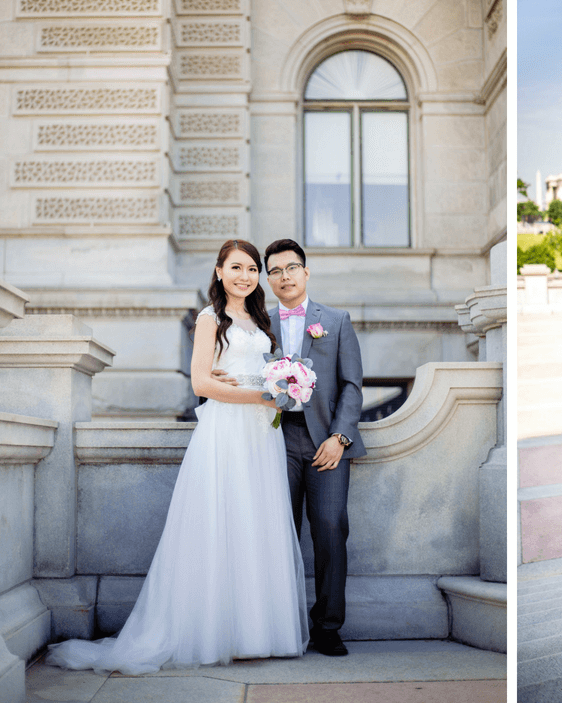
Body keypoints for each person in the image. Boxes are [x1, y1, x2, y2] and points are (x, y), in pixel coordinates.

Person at [46, 240, 308, 674]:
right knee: (221, 521)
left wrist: (285, 382)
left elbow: (258, 368)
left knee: (254, 522)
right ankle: (212, 631)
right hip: (228, 429)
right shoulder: (210, 318)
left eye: (252, 269)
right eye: (237, 267)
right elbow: (202, 384)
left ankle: (256, 631)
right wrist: (261, 394)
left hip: (261, 434)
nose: (246, 276)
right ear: (219, 271)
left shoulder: (260, 318)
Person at [263, 239, 365, 657]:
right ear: (268, 280)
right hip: (274, 439)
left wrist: (340, 437)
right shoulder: (257, 325)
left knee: (329, 529)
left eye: (291, 268)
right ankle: (275, 624)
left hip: (326, 443)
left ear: (306, 272)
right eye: (275, 271)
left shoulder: (335, 321)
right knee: (275, 533)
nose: (284, 276)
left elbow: (352, 385)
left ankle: (327, 627)